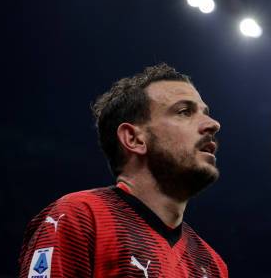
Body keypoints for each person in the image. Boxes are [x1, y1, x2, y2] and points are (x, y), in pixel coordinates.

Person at [18, 63, 227, 278]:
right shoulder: (79, 216)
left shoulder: (212, 265)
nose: (213, 124)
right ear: (134, 139)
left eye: (205, 113)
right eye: (184, 112)